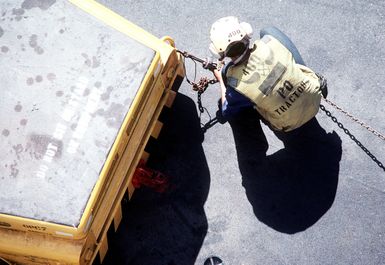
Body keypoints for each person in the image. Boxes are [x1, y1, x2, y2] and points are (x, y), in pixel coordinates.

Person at [208, 16, 328, 132]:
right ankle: (309, 79)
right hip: (314, 95)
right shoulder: (269, 41)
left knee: (236, 87)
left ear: (220, 53)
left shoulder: (235, 83)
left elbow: (226, 110)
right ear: (246, 33)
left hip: (289, 123)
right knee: (268, 30)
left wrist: (220, 77)